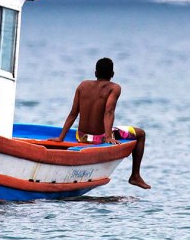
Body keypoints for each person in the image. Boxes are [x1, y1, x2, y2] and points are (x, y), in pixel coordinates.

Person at [56, 57, 150, 189]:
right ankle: (135, 176)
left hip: (81, 136)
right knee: (141, 134)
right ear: (112, 74)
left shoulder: (82, 85)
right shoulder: (114, 88)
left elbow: (73, 113)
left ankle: (135, 176)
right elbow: (109, 112)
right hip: (99, 138)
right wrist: (108, 137)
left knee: (114, 130)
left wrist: (61, 137)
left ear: (95, 73)